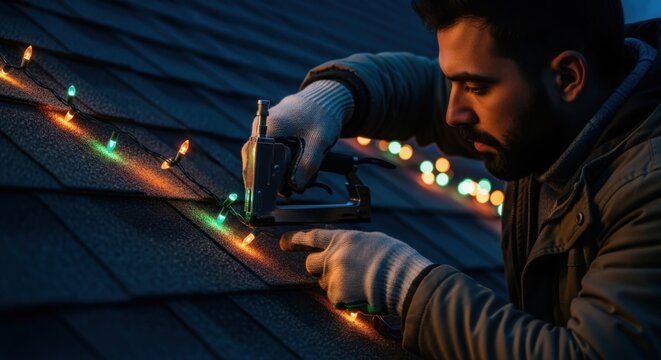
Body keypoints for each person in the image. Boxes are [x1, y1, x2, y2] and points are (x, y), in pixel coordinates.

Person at [242, 0, 661, 358]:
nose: (452, 113)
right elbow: (426, 93)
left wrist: (407, 286)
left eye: (475, 88)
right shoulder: (564, 107)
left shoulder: (649, 189)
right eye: (454, 82)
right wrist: (330, 98)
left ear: (568, 77)